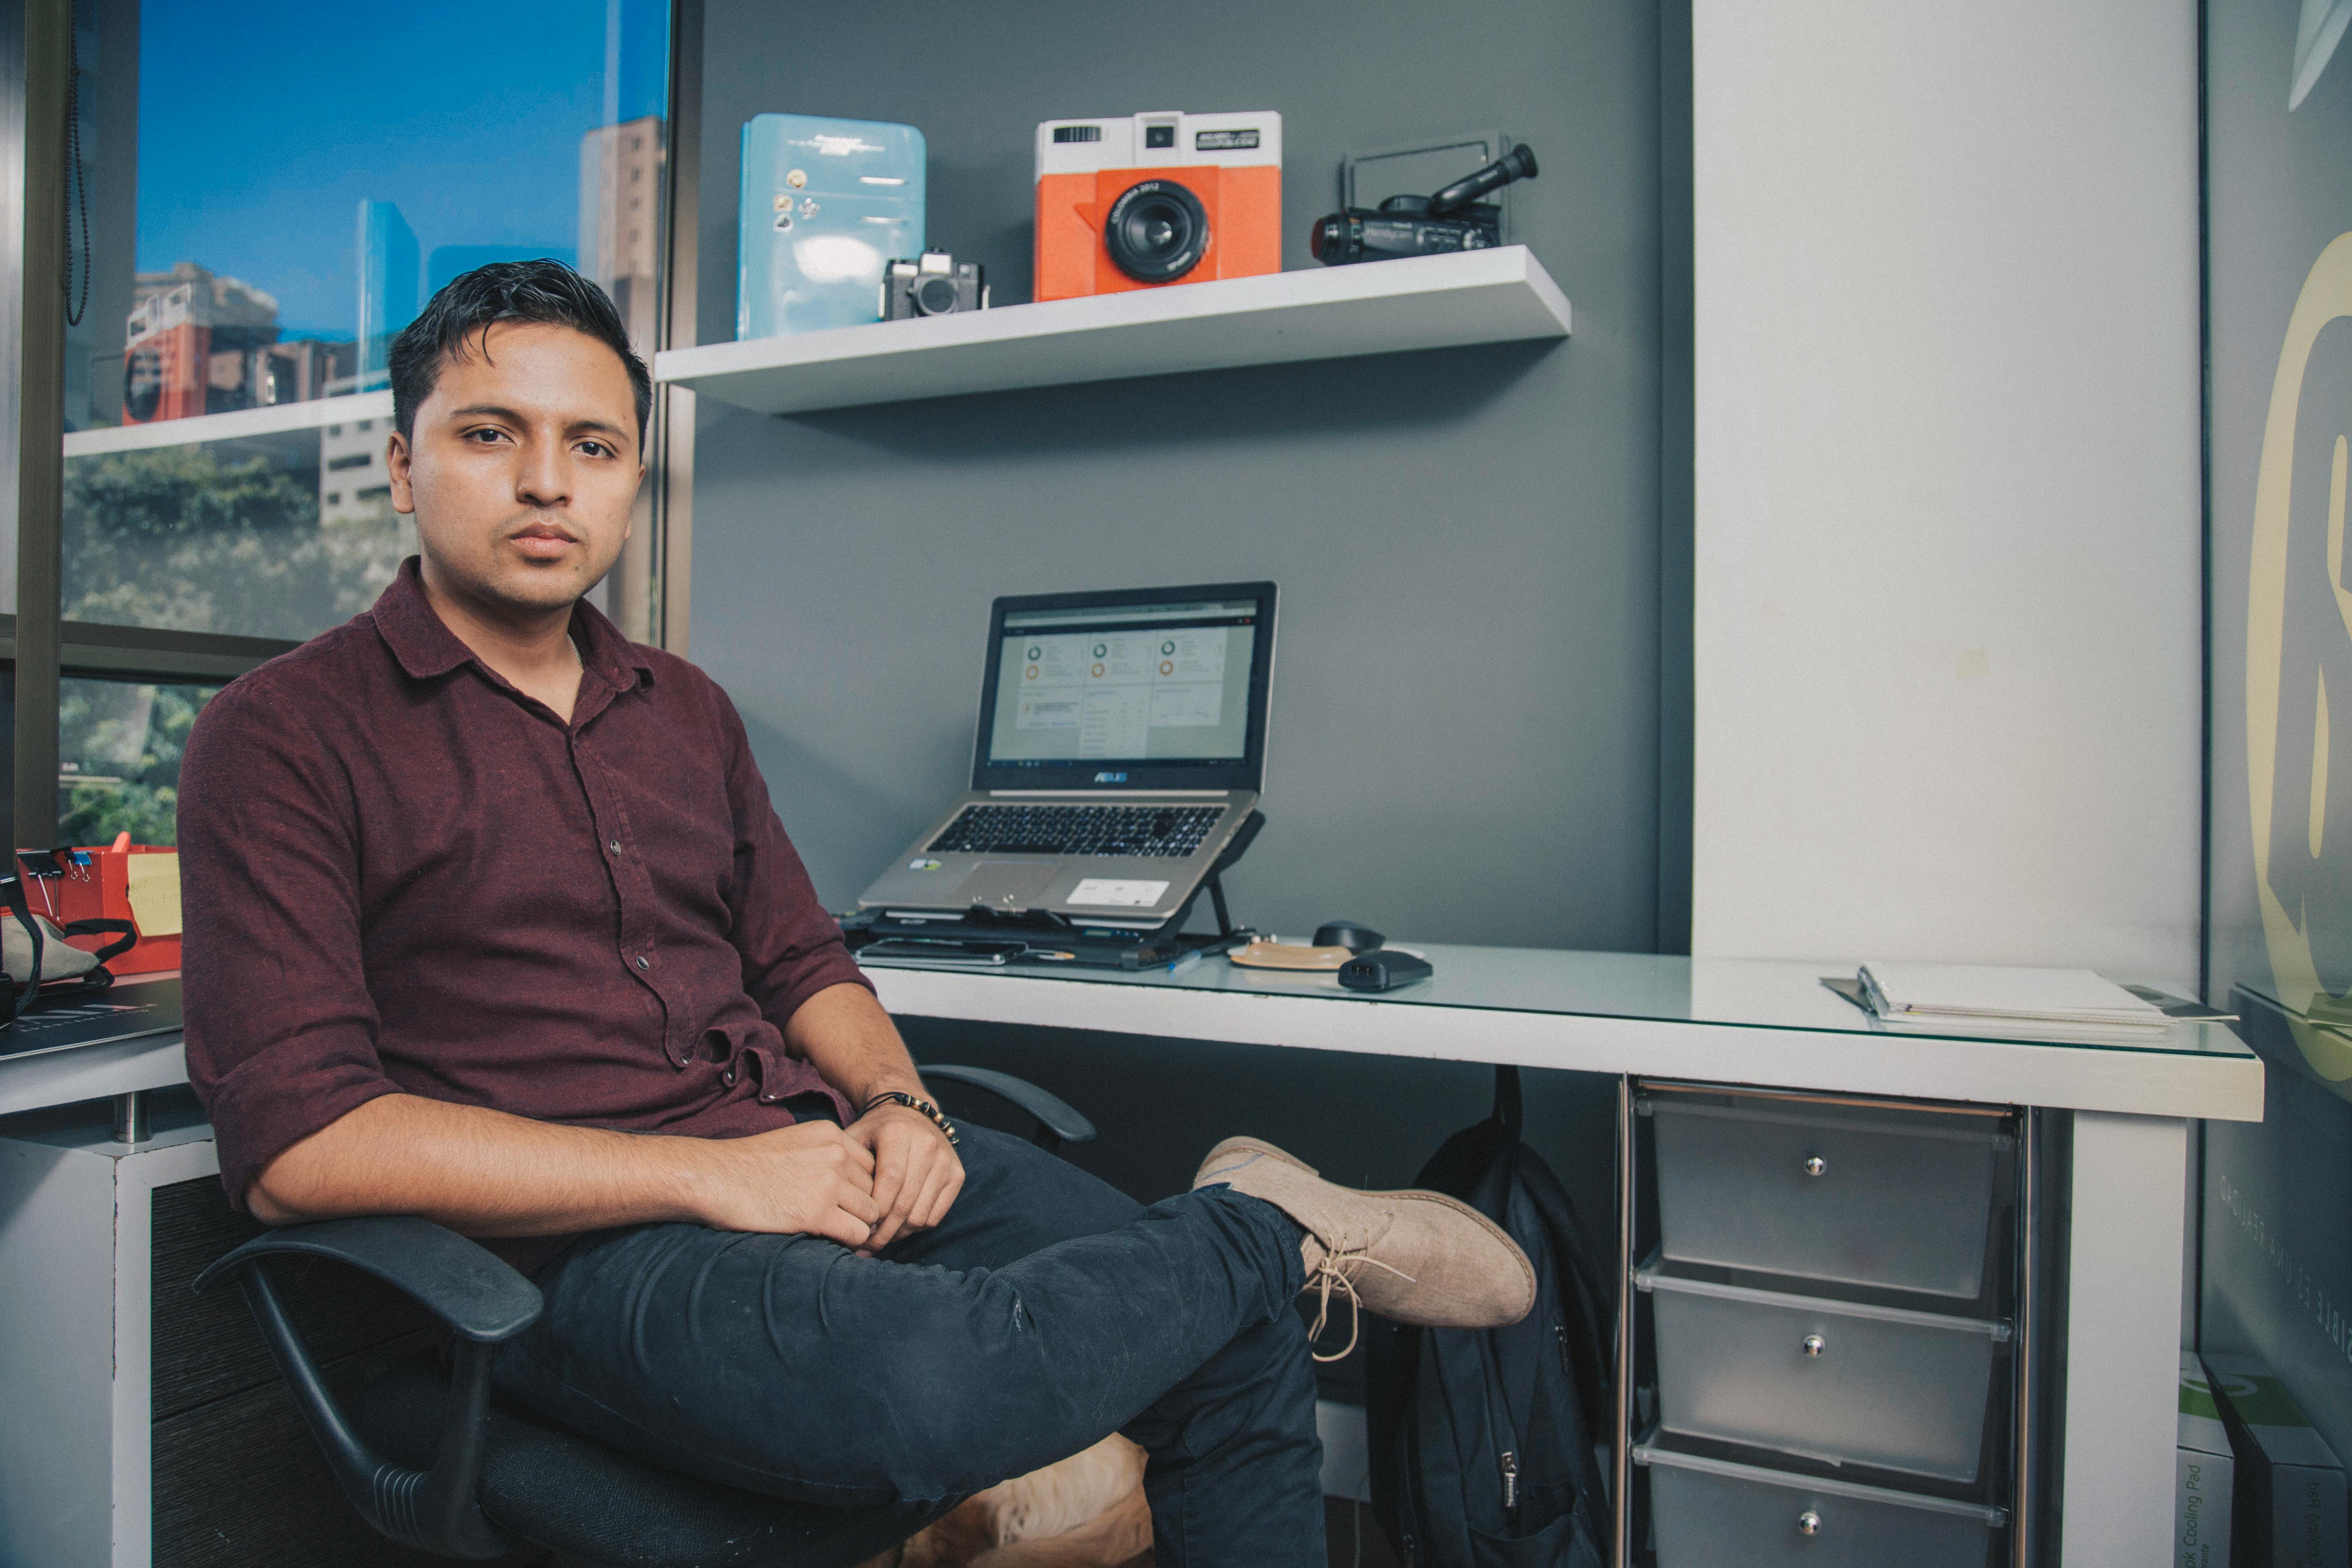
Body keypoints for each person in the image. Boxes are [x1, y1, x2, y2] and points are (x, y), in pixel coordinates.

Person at [177, 261, 1530, 1564]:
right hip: (584, 1254)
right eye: (491, 434)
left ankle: (1238, 1235)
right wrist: (716, 1177)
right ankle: (1262, 1222)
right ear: (406, 466)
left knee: (1229, 1334)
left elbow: (798, 958)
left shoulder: (685, 711)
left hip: (819, 1157)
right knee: (944, 1390)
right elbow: (302, 1148)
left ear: (634, 482)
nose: (546, 481)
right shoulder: (283, 734)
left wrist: (901, 1106)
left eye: (594, 446)